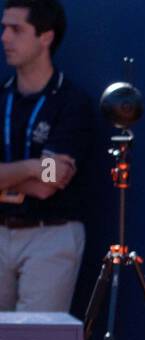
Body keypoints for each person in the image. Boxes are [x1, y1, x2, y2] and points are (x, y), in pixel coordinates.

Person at [0, 0, 93, 316]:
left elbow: (49, 183)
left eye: (16, 29)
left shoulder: (72, 102)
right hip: (0, 231)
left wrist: (16, 175)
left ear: (46, 37)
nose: (5, 38)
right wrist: (31, 167)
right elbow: (42, 173)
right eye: (3, 28)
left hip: (49, 234)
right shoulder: (2, 98)